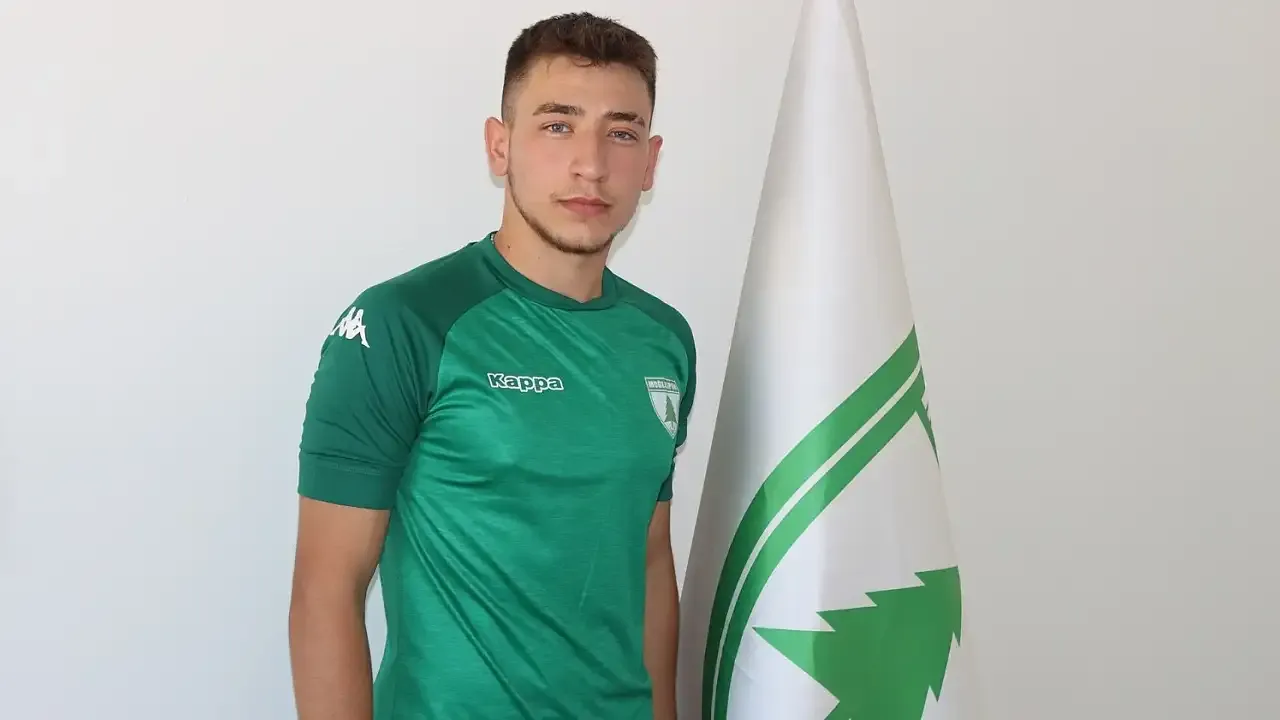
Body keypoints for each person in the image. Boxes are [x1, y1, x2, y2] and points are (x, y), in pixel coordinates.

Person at [287, 11, 696, 720]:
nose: (591, 164)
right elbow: (327, 589)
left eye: (622, 133)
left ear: (651, 160)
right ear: (499, 146)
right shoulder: (404, 322)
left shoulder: (663, 338)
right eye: (558, 125)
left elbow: (651, 558)